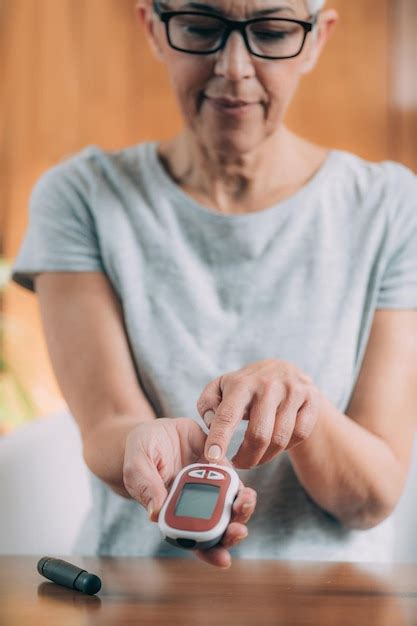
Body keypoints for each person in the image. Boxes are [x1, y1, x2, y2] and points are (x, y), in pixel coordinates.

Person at [11, 0, 417, 569]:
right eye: (201, 27)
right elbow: (107, 422)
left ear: (317, 40)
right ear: (153, 29)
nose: (233, 66)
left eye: (272, 33)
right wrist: (138, 444)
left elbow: (370, 497)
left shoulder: (392, 208)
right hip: (133, 591)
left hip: (329, 602)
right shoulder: (81, 196)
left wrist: (303, 404)